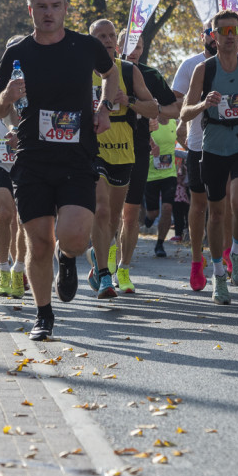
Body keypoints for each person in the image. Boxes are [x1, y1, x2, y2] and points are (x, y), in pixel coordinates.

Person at [0, 0, 117, 341]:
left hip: (77, 156)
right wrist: (8, 97)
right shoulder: (18, 52)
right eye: (41, 7)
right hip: (32, 157)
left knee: (74, 238)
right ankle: (43, 314)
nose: (48, 13)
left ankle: (69, 258)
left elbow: (110, 76)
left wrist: (105, 107)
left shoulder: (86, 46)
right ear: (31, 10)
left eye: (55, 6)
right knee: (38, 241)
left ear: (65, 8)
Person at [180, 9, 238, 305]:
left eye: (234, 30)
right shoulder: (204, 70)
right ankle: (219, 275)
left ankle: (236, 251)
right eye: (224, 31)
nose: (230, 36)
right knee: (216, 212)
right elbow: (184, 112)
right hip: (213, 146)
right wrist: (202, 103)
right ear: (214, 36)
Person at [85, 20, 159, 297]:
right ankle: (105, 275)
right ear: (91, 40)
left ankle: (99, 257)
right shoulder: (82, 69)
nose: (106, 39)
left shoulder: (128, 70)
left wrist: (128, 100)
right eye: (100, 35)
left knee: (114, 218)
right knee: (101, 210)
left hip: (124, 148)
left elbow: (153, 109)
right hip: (92, 149)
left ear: (117, 41)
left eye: (110, 35)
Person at [117, 31, 180, 275]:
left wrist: (154, 110)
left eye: (139, 46)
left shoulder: (151, 75)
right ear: (117, 45)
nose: (134, 50)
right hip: (107, 149)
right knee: (107, 212)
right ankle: (106, 261)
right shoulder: (104, 72)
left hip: (138, 149)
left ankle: (122, 269)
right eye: (129, 45)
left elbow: (174, 110)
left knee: (130, 215)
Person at [172, 27, 218, 291]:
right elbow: (177, 99)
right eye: (211, 33)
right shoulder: (191, 65)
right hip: (199, 141)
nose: (216, 38)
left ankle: (224, 256)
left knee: (225, 205)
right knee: (200, 205)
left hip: (231, 143)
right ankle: (197, 260)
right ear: (204, 36)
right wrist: (182, 122)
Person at [0, 35, 28, 300]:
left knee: (24, 218)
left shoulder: (41, 84)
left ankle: (19, 268)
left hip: (26, 159)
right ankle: (3, 269)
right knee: (5, 213)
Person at [145, 115, 179, 256]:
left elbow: (182, 138)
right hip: (150, 174)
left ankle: (160, 244)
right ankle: (149, 217)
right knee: (154, 213)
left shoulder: (174, 123)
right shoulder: (150, 123)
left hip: (169, 174)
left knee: (167, 207)